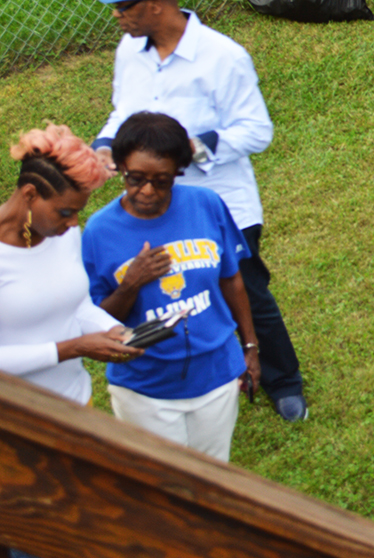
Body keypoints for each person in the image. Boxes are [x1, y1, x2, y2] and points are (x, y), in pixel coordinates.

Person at [92, 0, 307, 422]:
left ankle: (283, 381)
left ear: (154, 6)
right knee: (164, 290)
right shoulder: (130, 52)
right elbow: (120, 110)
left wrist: (191, 150)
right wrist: (107, 145)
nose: (116, 14)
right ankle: (178, 373)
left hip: (220, 205)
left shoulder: (222, 57)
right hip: (150, 204)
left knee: (246, 290)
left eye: (123, 5)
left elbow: (257, 130)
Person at [82, 113, 261, 462]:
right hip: (146, 390)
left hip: (216, 376)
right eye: (136, 178)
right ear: (119, 168)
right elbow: (94, 320)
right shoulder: (99, 231)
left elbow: (231, 279)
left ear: (178, 172)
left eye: (161, 180)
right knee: (162, 483)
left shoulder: (206, 205)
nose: (147, 190)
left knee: (213, 475)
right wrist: (131, 284)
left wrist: (250, 346)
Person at [0, 124, 142, 406]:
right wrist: (73, 348)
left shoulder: (62, 233)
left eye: (78, 212)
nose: (74, 222)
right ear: (30, 194)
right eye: (65, 211)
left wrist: (112, 330)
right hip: (13, 423)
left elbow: (77, 306)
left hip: (75, 406)